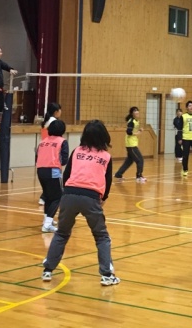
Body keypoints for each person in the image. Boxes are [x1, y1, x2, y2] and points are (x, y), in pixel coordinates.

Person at [41, 120, 119, 286]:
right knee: (101, 236)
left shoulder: (76, 151)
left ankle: (47, 270)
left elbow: (67, 175)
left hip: (69, 194)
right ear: (104, 136)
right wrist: (103, 199)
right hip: (91, 196)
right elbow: (108, 181)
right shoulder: (106, 156)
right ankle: (107, 275)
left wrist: (67, 194)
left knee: (62, 233)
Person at [37, 120, 69, 232]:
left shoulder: (43, 141)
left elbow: (37, 156)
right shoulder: (62, 141)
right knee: (57, 197)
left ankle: (46, 220)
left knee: (48, 196)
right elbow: (64, 160)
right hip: (53, 170)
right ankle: (47, 225)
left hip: (40, 170)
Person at [39, 102, 62, 205]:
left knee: (48, 178)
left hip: (44, 149)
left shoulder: (46, 120)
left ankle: (45, 197)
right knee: (54, 178)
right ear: (56, 111)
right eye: (60, 110)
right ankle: (45, 197)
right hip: (52, 150)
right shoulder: (54, 122)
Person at [114, 107, 146, 182]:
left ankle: (118, 174)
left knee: (129, 161)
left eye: (137, 110)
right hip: (131, 144)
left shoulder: (136, 121)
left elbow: (132, 130)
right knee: (140, 160)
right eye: (135, 111)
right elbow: (128, 132)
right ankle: (139, 176)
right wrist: (138, 133)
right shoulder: (131, 121)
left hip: (133, 143)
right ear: (132, 113)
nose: (137, 112)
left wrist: (139, 130)